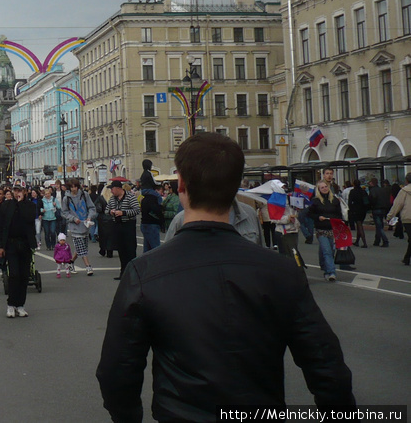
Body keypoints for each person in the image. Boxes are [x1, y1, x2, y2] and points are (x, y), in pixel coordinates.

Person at [95, 132, 355, 420]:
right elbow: (327, 367)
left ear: (181, 185)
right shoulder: (280, 271)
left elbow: (116, 371)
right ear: (236, 188)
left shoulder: (144, 273)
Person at [0, 185, 38, 318]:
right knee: (14, 274)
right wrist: (1, 246)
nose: (17, 193)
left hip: (25, 243)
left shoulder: (30, 206)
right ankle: (11, 304)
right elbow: (2, 226)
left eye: (19, 191)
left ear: (25, 192)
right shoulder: (6, 205)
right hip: (11, 244)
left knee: (24, 275)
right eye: (15, 191)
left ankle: (20, 305)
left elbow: (29, 218)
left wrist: (21, 204)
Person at [307, 180, 342, 281]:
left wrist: (338, 222)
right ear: (318, 190)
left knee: (330, 250)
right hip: (321, 229)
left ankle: (324, 266)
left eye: (325, 186)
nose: (325, 188)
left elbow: (339, 214)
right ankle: (331, 272)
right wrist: (318, 217)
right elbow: (309, 213)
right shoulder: (315, 201)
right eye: (322, 187)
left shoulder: (334, 200)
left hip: (332, 229)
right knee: (327, 251)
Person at [102, 180, 138, 278]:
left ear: (118, 188)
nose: (111, 191)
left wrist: (123, 212)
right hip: (117, 225)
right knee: (121, 250)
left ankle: (133, 274)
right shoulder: (113, 199)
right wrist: (111, 212)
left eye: (112, 189)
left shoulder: (130, 197)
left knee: (130, 250)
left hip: (128, 224)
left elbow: (136, 210)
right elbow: (106, 210)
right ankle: (123, 273)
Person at [62, 179, 97, 275]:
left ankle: (70, 262)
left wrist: (89, 217)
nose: (74, 189)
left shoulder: (84, 195)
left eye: (75, 186)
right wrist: (73, 219)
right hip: (74, 226)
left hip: (85, 224)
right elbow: (64, 212)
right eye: (72, 187)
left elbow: (91, 207)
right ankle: (88, 266)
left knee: (81, 247)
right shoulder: (66, 198)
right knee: (81, 247)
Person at [386, 173, 411, 266]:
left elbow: (397, 205)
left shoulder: (403, 191)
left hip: (407, 217)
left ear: (406, 181)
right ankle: (407, 258)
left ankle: (407, 258)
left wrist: (389, 216)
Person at [139, 185, 164, 254]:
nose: (161, 194)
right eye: (161, 191)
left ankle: (145, 263)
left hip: (145, 223)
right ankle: (156, 264)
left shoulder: (144, 198)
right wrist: (162, 219)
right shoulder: (153, 198)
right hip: (152, 224)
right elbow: (156, 210)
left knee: (147, 249)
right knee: (156, 249)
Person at [369, 177, 391, 247]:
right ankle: (377, 240)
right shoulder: (381, 190)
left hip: (376, 208)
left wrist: (371, 207)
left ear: (372, 183)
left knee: (379, 226)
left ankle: (385, 240)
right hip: (383, 208)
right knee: (379, 225)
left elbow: (372, 199)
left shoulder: (372, 190)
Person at [348, 179, 369, 248]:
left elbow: (350, 202)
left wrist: (350, 210)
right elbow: (366, 201)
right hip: (363, 210)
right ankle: (357, 241)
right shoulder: (363, 191)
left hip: (356, 210)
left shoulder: (352, 191)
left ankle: (364, 242)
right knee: (359, 224)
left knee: (359, 225)